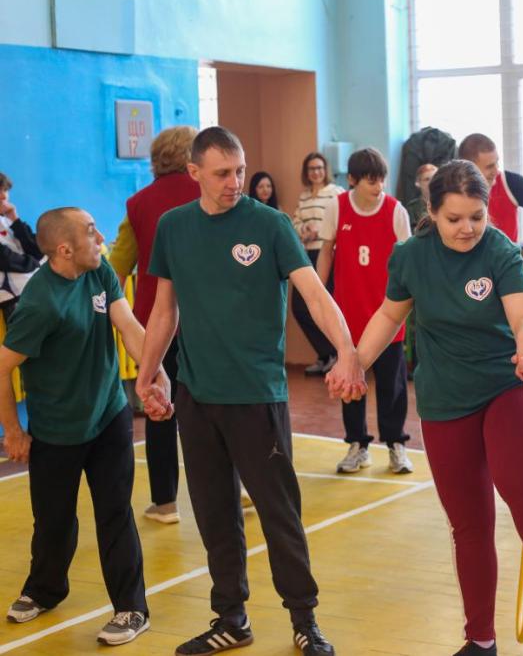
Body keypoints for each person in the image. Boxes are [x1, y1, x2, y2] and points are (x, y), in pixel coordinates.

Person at [331, 160, 523, 656]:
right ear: (432, 212)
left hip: (508, 384)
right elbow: (389, 315)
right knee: (468, 524)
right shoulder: (410, 256)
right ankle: (480, 640)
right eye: (454, 219)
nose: (467, 228)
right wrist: (356, 362)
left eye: (476, 216)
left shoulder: (498, 249)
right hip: (445, 397)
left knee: (520, 484)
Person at [135, 126, 366, 656]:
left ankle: (304, 619)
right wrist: (148, 374)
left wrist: (346, 350)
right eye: (222, 173)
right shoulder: (174, 227)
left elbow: (314, 293)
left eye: (239, 170)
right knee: (215, 513)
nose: (234, 182)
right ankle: (231, 618)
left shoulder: (269, 225)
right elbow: (165, 310)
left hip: (257, 396)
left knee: (279, 513)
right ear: (193, 172)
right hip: (197, 396)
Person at [0, 207, 173, 646]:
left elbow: (129, 327)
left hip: (109, 417)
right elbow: (2, 368)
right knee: (53, 520)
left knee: (115, 512)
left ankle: (132, 609)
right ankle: (45, 590)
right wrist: (14, 431)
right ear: (65, 249)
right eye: (91, 231)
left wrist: (154, 373)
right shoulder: (39, 303)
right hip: (56, 429)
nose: (100, 238)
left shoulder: (100, 273)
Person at [109, 125, 200, 525]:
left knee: (161, 406)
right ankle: (236, 486)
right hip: (208, 319)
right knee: (218, 405)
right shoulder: (211, 192)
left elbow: (117, 267)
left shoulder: (138, 204)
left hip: (154, 323)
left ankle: (165, 503)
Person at [314, 147, 414, 474]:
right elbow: (326, 251)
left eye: (382, 179)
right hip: (348, 317)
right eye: (372, 180)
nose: (379, 186)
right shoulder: (338, 206)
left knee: (392, 385)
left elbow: (408, 259)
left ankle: (396, 444)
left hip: (388, 317)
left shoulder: (396, 210)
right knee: (350, 383)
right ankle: (358, 445)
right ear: (353, 180)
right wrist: (318, 290)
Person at [293, 152, 344, 376]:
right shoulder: (304, 197)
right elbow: (295, 222)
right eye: (312, 168)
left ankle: (335, 354)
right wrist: (303, 230)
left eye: (319, 168)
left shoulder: (335, 192)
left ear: (326, 170)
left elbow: (341, 221)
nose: (316, 172)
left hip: (328, 254)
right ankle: (327, 354)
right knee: (299, 308)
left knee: (326, 305)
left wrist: (321, 231)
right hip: (306, 255)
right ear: (306, 172)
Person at [0, 172, 43, 320]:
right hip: (11, 299)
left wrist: (15, 219)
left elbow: (37, 250)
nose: (4, 196)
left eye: (5, 190)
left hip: (31, 292)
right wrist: (35, 264)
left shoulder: (7, 221)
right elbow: (5, 259)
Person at [405, 162, 437, 230]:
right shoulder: (412, 208)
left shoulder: (446, 203)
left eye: (434, 178)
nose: (431, 182)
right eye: (427, 179)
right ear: (418, 183)